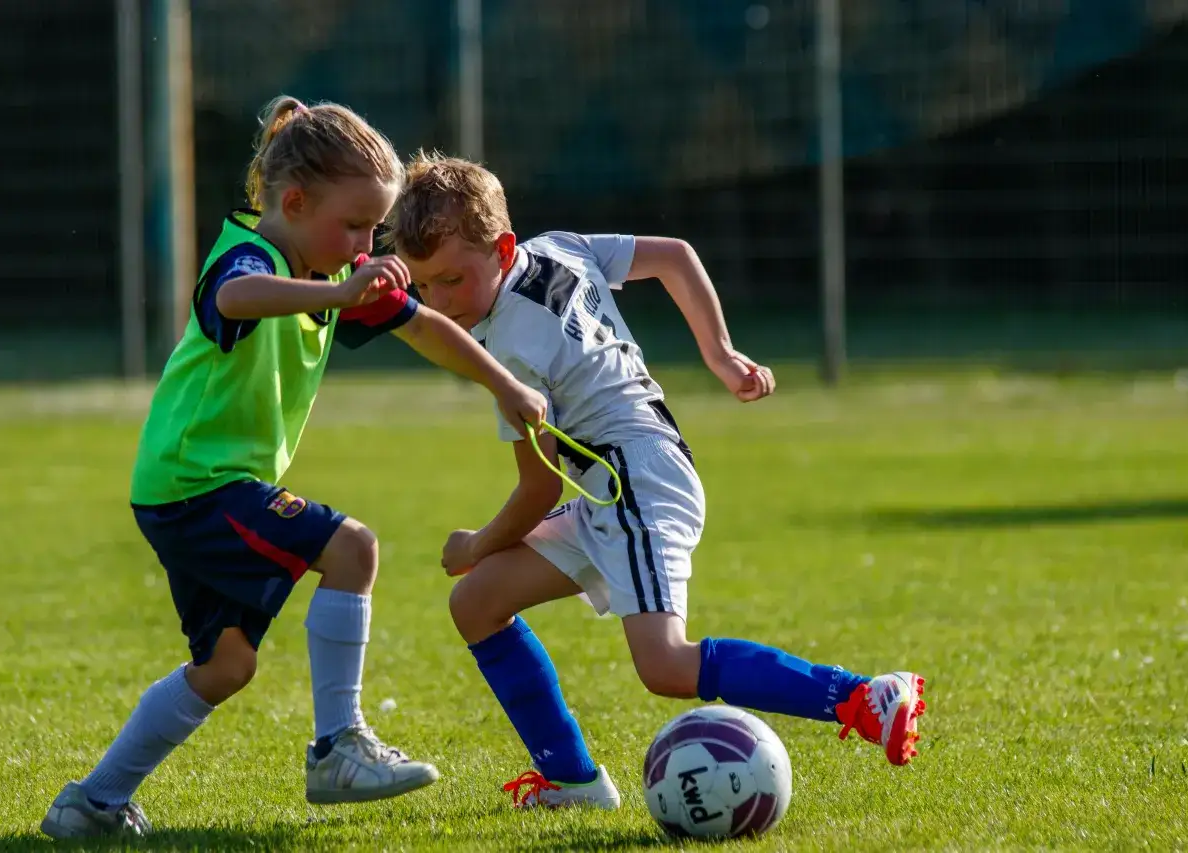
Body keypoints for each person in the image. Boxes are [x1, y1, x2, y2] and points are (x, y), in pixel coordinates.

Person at [40, 102, 546, 839]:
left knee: (227, 667)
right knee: (354, 547)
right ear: (293, 203)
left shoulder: (324, 268)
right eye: (353, 226)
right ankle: (339, 747)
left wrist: (502, 382)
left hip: (186, 491)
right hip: (198, 484)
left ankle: (93, 801)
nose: (366, 245)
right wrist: (339, 292)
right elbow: (230, 297)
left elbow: (426, 326)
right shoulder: (255, 258)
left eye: (374, 229)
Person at [384, 152, 926, 809]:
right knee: (477, 603)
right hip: (623, 475)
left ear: (500, 249)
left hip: (632, 477)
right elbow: (673, 255)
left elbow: (538, 490)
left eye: (451, 281)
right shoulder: (556, 248)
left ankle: (864, 697)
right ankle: (573, 779)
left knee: (665, 664)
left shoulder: (515, 351)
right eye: (424, 288)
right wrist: (719, 352)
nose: (438, 303)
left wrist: (474, 544)